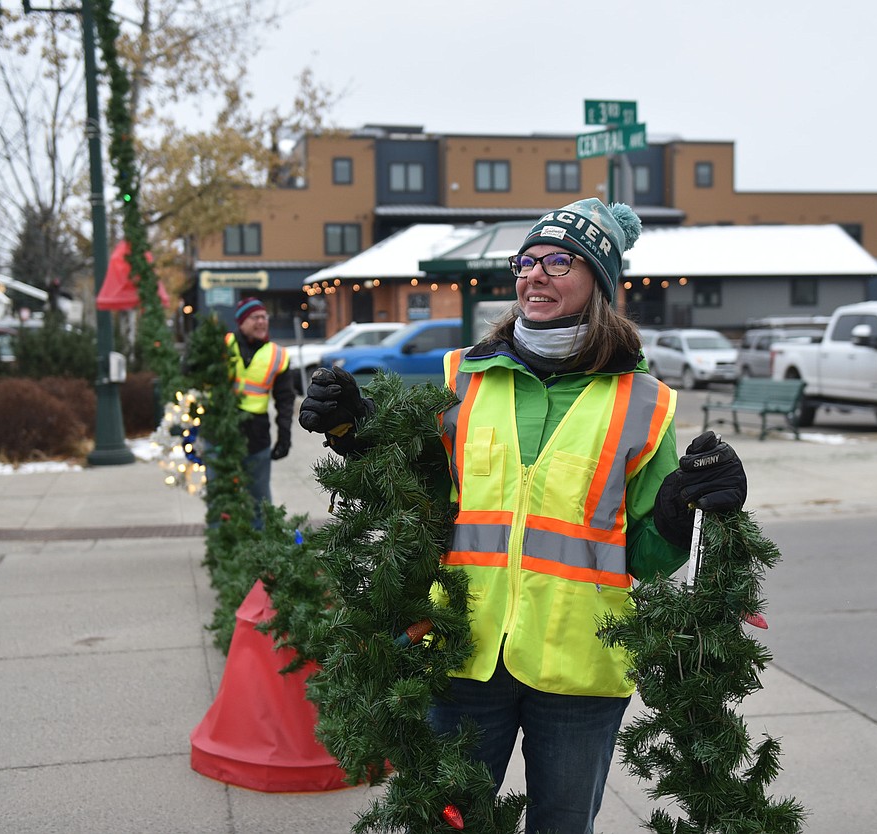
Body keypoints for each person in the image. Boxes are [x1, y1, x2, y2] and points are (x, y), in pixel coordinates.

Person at [298, 198, 747, 834]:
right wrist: (355, 427)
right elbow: (423, 494)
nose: (536, 274)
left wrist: (678, 513)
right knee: (446, 823)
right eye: (527, 260)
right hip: (463, 652)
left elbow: (646, 555)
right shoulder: (463, 377)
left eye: (559, 261)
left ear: (598, 282)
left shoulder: (647, 403)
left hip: (581, 665)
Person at [225, 296, 294, 528]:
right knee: (223, 498)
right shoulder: (223, 345)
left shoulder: (277, 355)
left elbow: (285, 400)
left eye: (264, 317)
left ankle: (261, 551)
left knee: (259, 500)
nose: (262, 322)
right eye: (255, 317)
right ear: (242, 321)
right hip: (223, 433)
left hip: (257, 436)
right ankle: (225, 549)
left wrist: (285, 436)